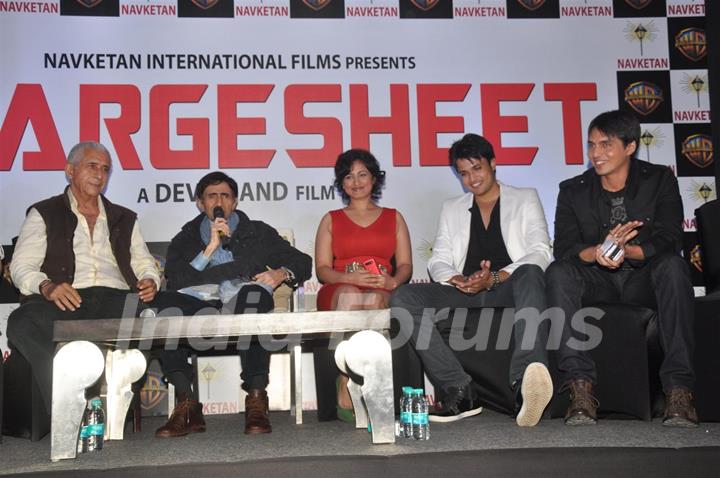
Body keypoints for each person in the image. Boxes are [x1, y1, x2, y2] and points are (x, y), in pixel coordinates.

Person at [546, 109, 698, 427]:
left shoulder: (659, 180)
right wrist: (598, 251)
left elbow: (671, 238)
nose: (596, 154)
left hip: (645, 276)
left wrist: (629, 250)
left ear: (630, 146)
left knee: (673, 266)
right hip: (597, 279)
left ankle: (678, 390)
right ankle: (580, 389)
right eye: (591, 145)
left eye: (605, 144)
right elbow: (565, 249)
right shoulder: (572, 189)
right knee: (558, 272)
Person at [390, 134, 554, 426]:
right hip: (465, 290)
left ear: (492, 164)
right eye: (463, 173)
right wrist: (456, 279)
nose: (471, 179)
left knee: (531, 272)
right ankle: (459, 388)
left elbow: (540, 251)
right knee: (403, 297)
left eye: (476, 168)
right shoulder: (452, 207)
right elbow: (438, 259)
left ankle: (525, 383)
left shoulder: (525, 197)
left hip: (508, 286)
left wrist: (495, 277)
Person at [6, 141, 161, 415]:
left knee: (152, 318)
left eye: (105, 169)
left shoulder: (124, 217)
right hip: (66, 298)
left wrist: (150, 279)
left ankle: (114, 405)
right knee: (21, 323)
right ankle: (66, 401)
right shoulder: (44, 212)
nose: (100, 174)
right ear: (70, 170)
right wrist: (47, 286)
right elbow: (21, 267)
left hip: (115, 297)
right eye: (92, 166)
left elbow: (143, 261)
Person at [156, 171, 312, 437]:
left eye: (225, 196)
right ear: (200, 203)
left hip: (241, 301)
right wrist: (210, 248)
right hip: (200, 304)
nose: (219, 201)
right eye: (211, 196)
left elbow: (302, 261)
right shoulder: (187, 237)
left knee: (253, 296)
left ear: (235, 201)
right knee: (164, 304)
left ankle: (256, 397)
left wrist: (281, 272)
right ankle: (187, 402)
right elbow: (177, 278)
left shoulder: (257, 232)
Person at [313, 149, 413, 422]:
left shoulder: (394, 217)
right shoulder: (331, 218)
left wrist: (393, 281)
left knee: (375, 302)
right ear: (341, 183)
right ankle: (346, 378)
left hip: (381, 286)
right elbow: (322, 270)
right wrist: (349, 278)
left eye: (362, 175)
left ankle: (369, 380)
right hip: (338, 287)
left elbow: (405, 266)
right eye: (348, 176)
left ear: (375, 179)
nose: (356, 182)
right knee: (349, 296)